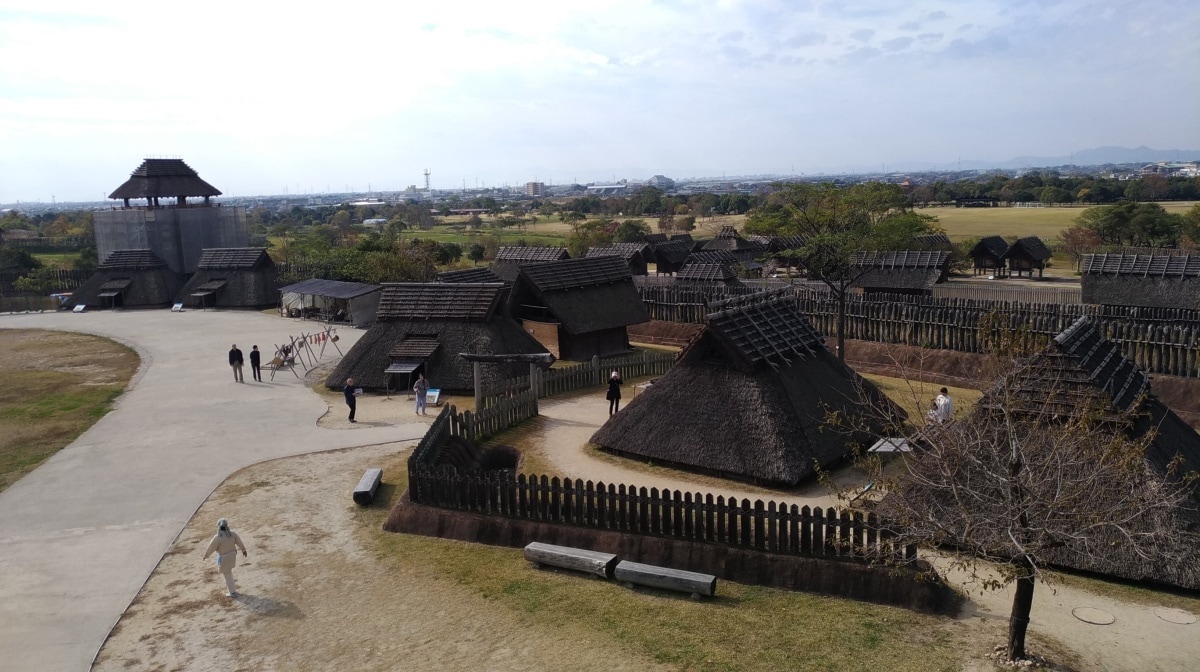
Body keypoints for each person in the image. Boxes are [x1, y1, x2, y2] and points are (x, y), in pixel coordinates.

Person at [203, 518, 248, 597]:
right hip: (232, 555)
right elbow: (239, 542)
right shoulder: (233, 534)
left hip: (224, 558)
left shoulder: (218, 537)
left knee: (227, 575)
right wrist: (243, 550)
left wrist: (206, 555)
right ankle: (232, 591)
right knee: (229, 573)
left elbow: (211, 547)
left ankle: (232, 592)